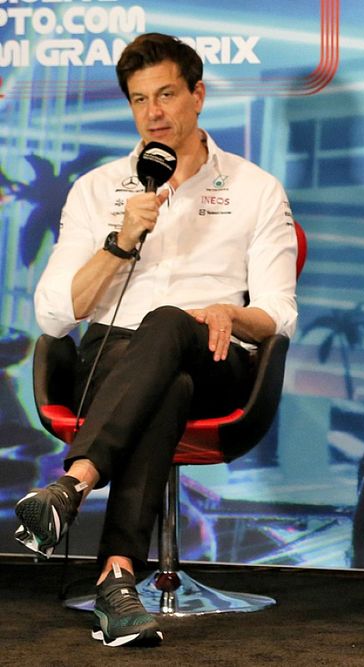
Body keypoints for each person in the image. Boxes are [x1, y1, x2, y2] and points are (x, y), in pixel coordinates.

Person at [15, 33, 298, 647]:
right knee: (167, 382)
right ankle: (117, 583)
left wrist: (230, 311)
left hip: (220, 354)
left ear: (197, 96)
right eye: (140, 100)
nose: (154, 113)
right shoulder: (98, 189)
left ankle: (75, 483)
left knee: (173, 323)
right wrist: (119, 242)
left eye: (167, 94)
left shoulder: (255, 188)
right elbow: (54, 317)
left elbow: (278, 311)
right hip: (113, 360)